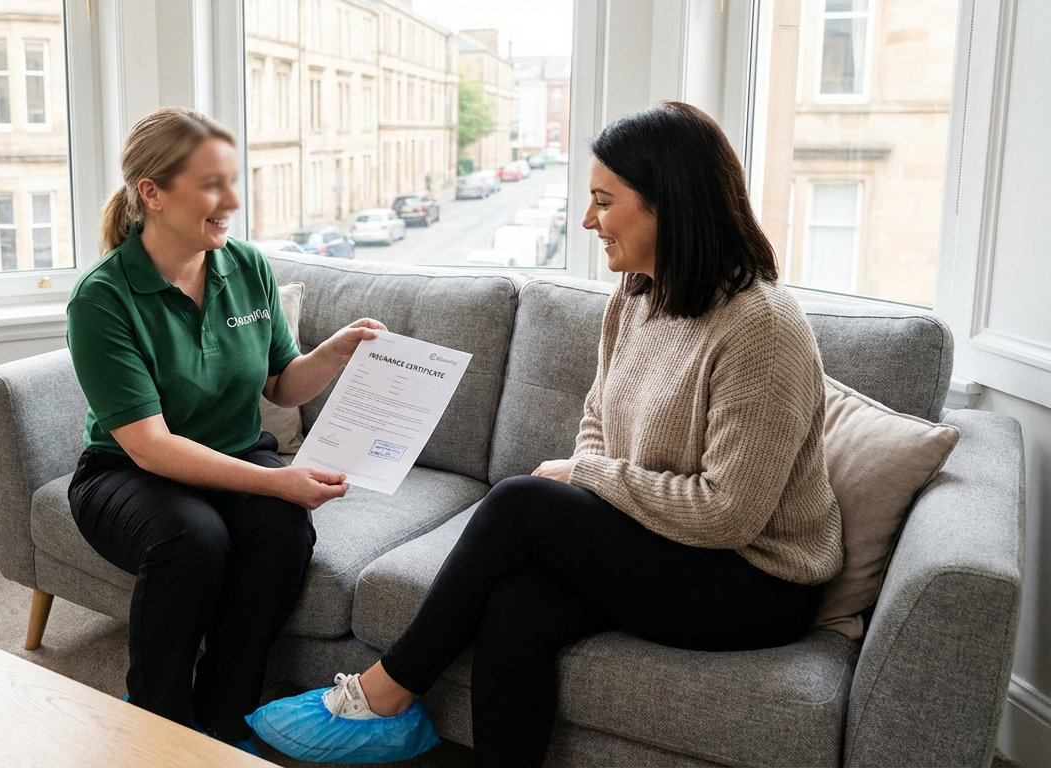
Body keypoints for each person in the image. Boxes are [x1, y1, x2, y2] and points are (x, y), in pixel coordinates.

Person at [247, 101, 844, 767]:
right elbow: (597, 419)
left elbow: (728, 514)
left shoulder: (762, 328)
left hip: (754, 581)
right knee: (514, 606)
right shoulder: (638, 293)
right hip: (664, 541)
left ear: (667, 205)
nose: (589, 220)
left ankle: (386, 693)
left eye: (603, 200)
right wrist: (589, 483)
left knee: (519, 503)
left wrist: (584, 481)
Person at [64, 106, 386, 754]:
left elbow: (280, 384)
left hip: (235, 452)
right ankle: (156, 719)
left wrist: (335, 354)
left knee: (284, 529)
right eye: (213, 184)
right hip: (126, 473)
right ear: (152, 193)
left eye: (232, 181)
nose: (232, 200)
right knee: (194, 539)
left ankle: (225, 714)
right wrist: (275, 480)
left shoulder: (246, 266)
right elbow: (149, 445)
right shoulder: (102, 298)